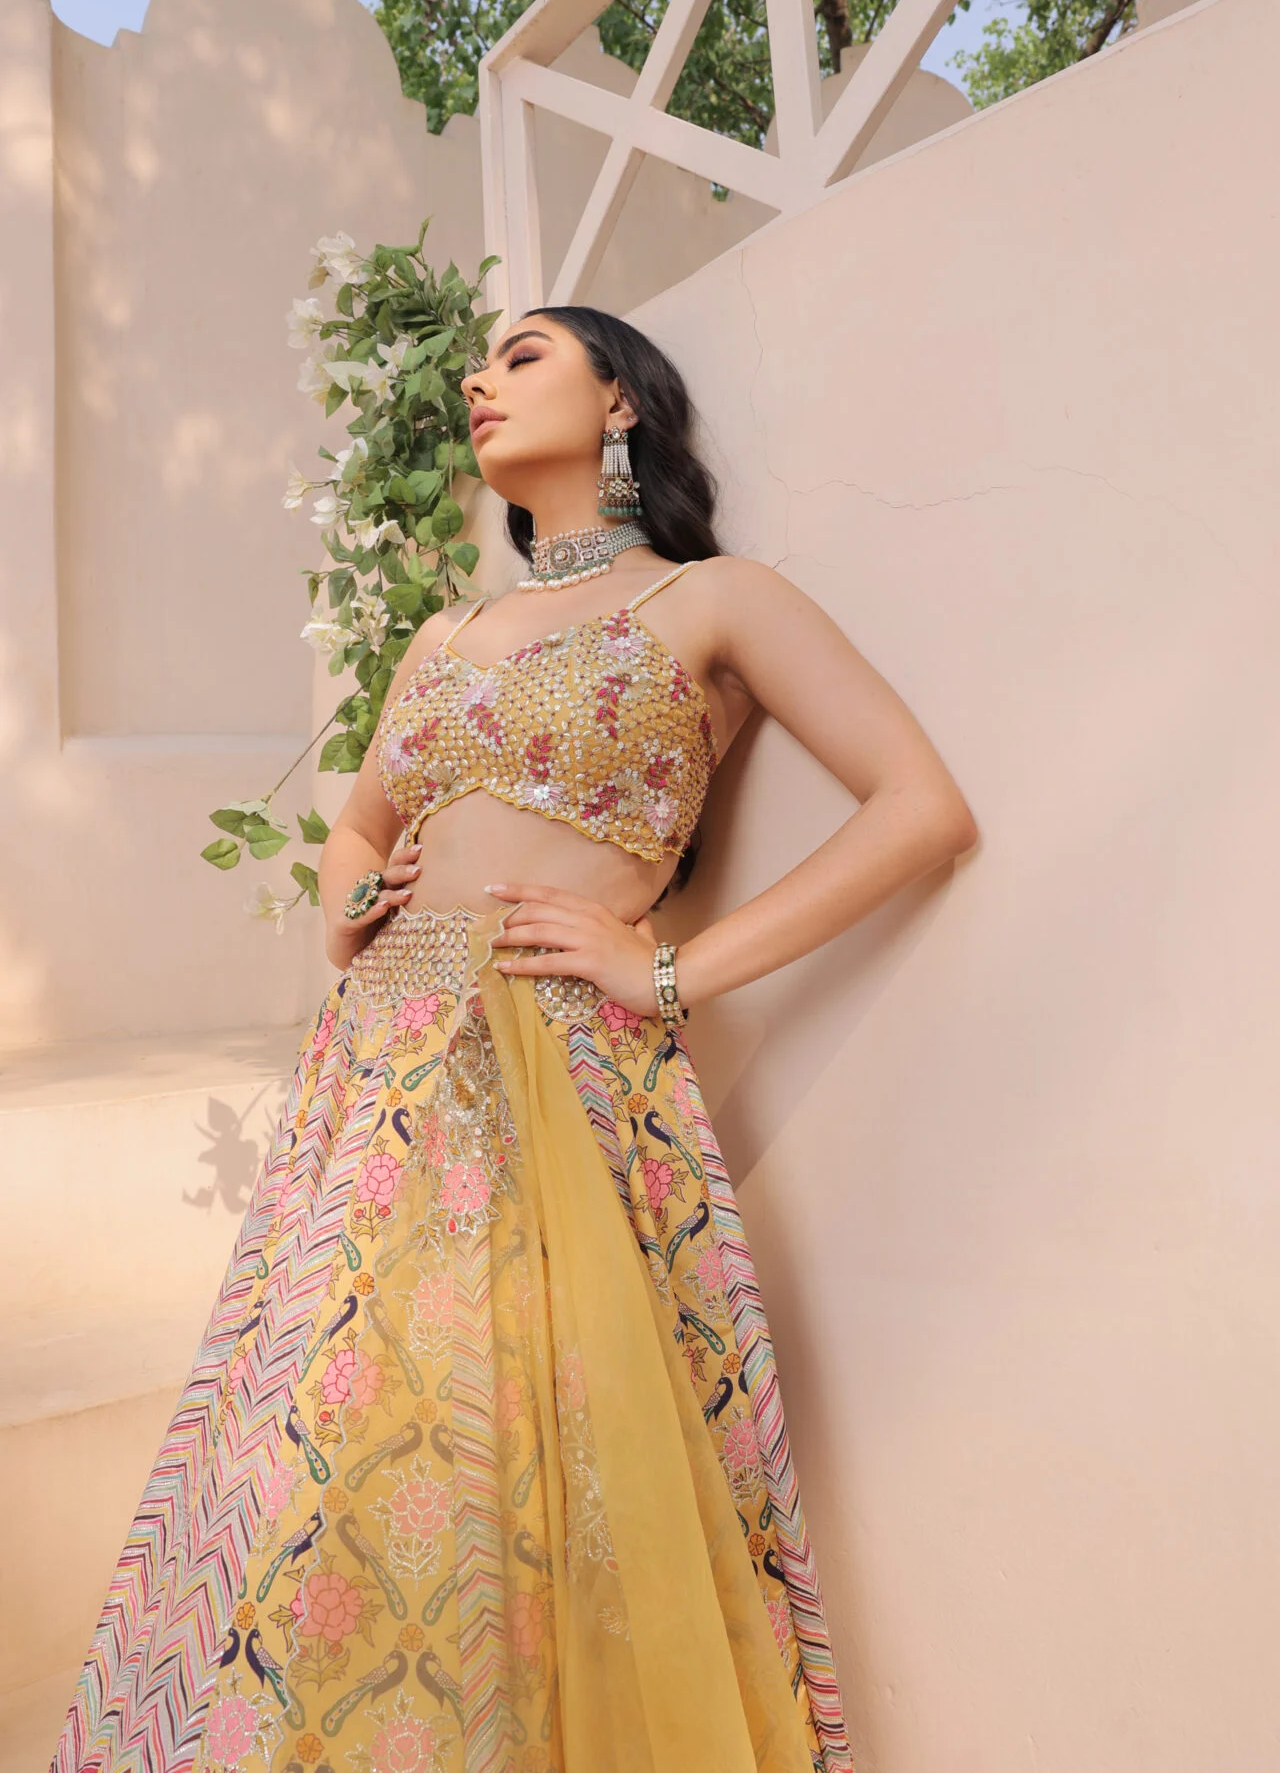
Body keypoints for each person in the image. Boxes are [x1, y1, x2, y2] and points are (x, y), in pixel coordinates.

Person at [55, 306, 977, 1773]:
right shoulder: (445, 634)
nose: (481, 382)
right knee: (334, 1459)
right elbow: (357, 829)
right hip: (375, 1082)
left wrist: (669, 971)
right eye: (478, 367)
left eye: (523, 355)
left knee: (549, 1470)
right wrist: (356, 905)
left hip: (559, 1080)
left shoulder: (714, 604)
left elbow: (921, 808)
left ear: (622, 402)